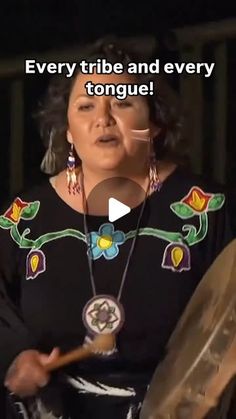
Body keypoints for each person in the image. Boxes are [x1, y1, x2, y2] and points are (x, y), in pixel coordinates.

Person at [0, 36, 234, 419]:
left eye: (122, 103)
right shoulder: (23, 218)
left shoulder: (209, 210)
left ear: (154, 123)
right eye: (86, 106)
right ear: (69, 132)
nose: (103, 118)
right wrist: (14, 358)